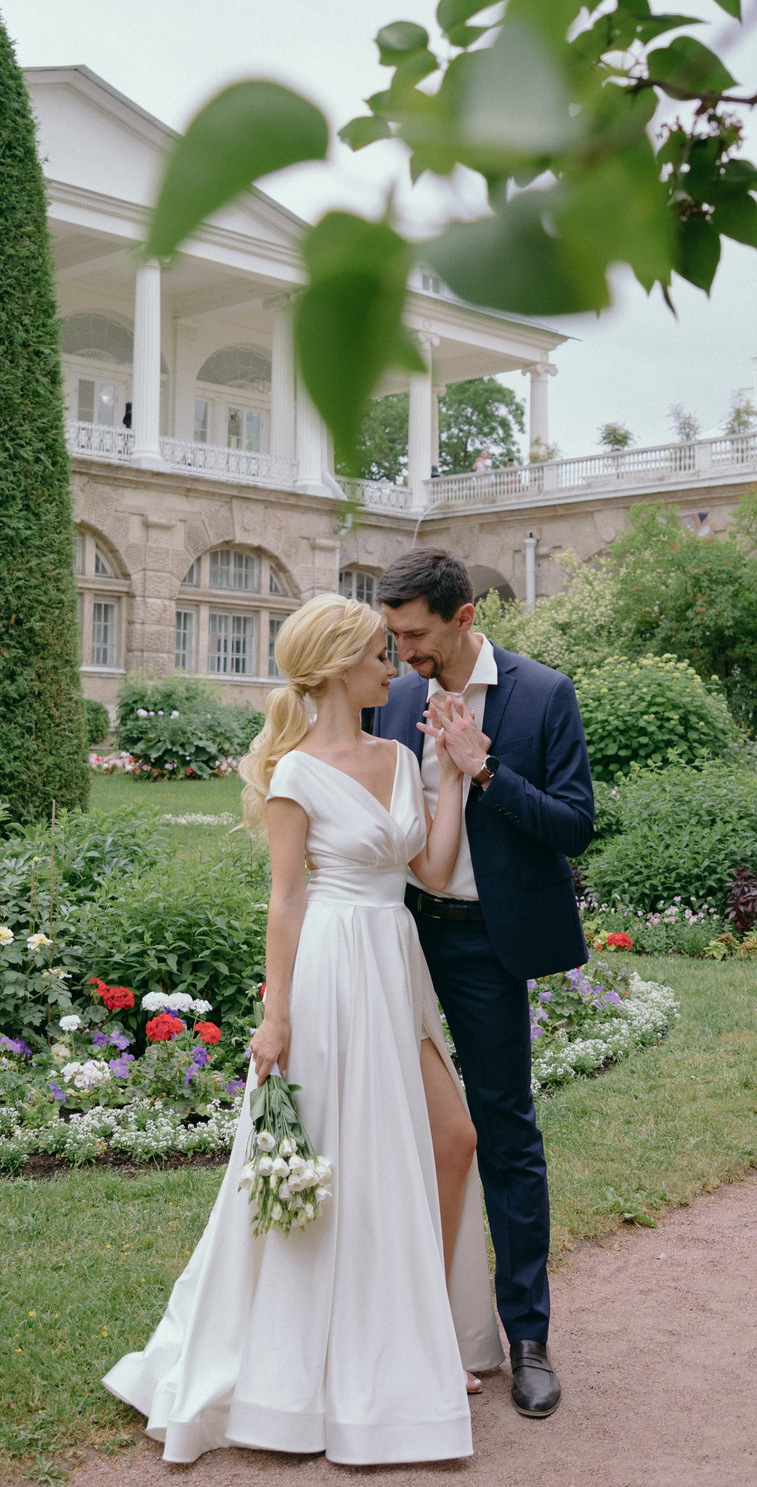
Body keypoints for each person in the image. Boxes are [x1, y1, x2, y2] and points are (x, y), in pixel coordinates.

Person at [104, 594, 506, 1464]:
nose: (392, 668)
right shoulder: (292, 774)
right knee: (327, 1158)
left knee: (452, 1138)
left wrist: (454, 774)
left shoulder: (400, 756)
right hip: (327, 970)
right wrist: (273, 1013)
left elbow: (431, 871)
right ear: (334, 667)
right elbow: (285, 901)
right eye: (377, 655)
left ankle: (418, 1329)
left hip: (394, 962)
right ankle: (324, 1363)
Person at [373, 546, 595, 1419]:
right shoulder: (388, 697)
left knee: (505, 1130)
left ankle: (528, 1337)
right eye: (393, 635)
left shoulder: (544, 695)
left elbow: (575, 826)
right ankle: (399, 1321)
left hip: (485, 946)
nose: (403, 651)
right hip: (395, 937)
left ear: (464, 617)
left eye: (415, 633)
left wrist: (487, 770)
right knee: (387, 1124)